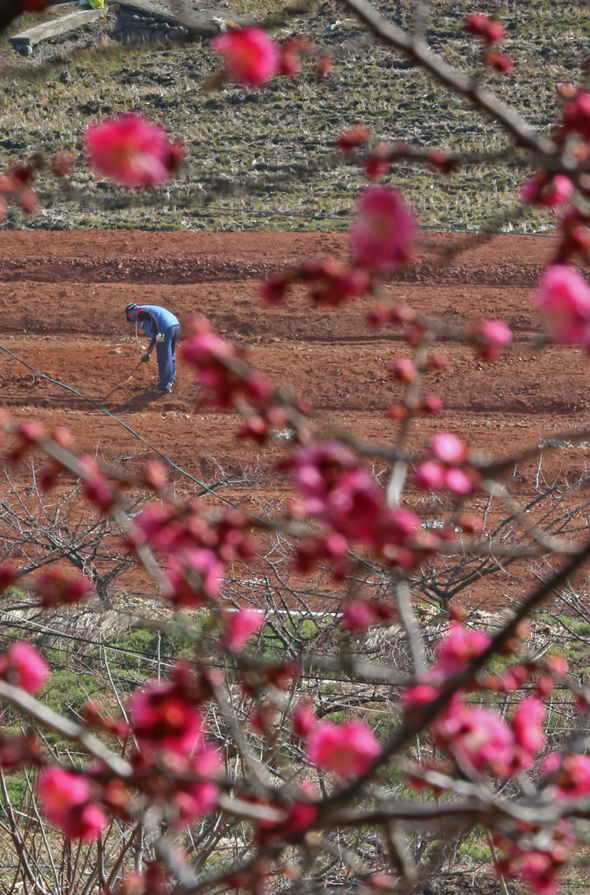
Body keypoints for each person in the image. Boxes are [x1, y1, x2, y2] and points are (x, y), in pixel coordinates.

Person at [125, 303, 180, 394]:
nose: (132, 319)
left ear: (130, 313)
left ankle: (163, 387)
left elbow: (151, 316)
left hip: (165, 329)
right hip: (175, 325)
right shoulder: (146, 310)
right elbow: (155, 336)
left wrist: (158, 333)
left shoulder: (137, 312)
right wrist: (148, 352)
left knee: (163, 358)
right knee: (170, 354)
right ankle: (170, 379)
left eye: (129, 317)